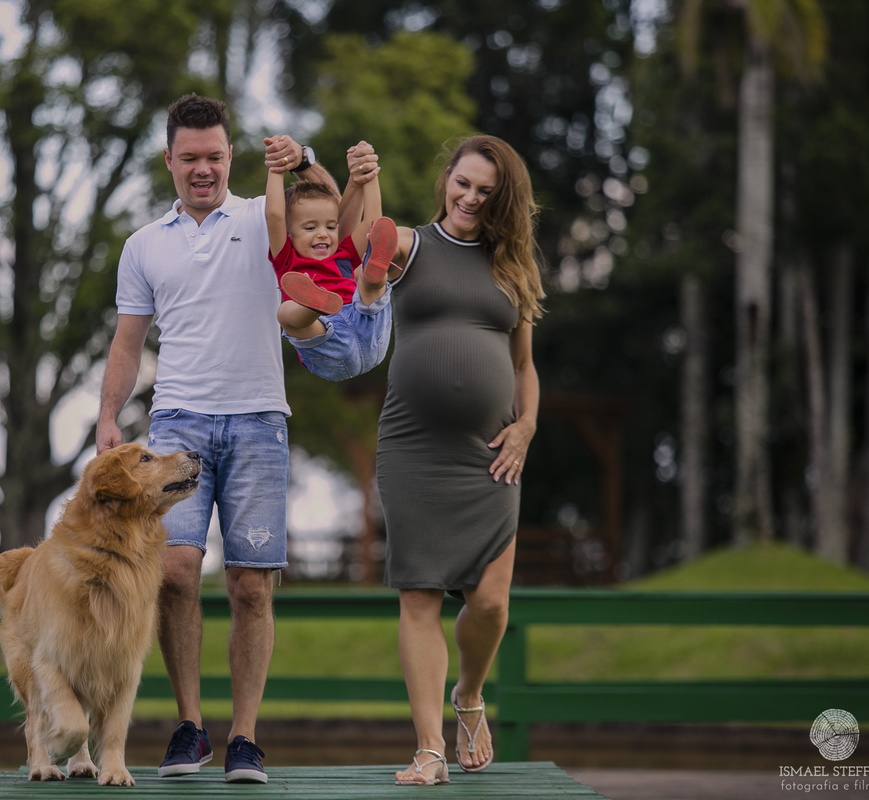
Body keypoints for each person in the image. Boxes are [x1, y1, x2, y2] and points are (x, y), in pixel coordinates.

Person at [94, 94, 369, 785]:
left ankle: (245, 738)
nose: (203, 169)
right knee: (176, 572)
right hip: (176, 424)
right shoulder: (144, 245)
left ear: (229, 156)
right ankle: (190, 728)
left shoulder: (261, 216)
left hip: (258, 423)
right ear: (169, 160)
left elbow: (331, 217)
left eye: (215, 156)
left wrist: (304, 157)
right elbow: (127, 345)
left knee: (252, 587)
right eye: (190, 157)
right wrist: (107, 417)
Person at [373, 135, 545, 786]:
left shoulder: (514, 266)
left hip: (489, 456)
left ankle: (469, 695)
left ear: (504, 200)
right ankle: (427, 750)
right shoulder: (410, 248)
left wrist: (528, 424)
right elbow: (364, 239)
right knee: (418, 597)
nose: (470, 197)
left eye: (485, 190)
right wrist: (361, 175)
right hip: (413, 447)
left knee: (492, 603)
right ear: (446, 178)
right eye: (462, 182)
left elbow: (525, 367)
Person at [265, 141, 399, 381]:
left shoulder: (343, 254)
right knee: (286, 314)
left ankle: (372, 278)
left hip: (365, 324)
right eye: (310, 227)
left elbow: (373, 224)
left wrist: (369, 174)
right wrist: (275, 168)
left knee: (368, 269)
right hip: (330, 346)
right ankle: (314, 306)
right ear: (288, 233)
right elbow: (274, 215)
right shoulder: (287, 258)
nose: (323, 234)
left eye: (330, 226)